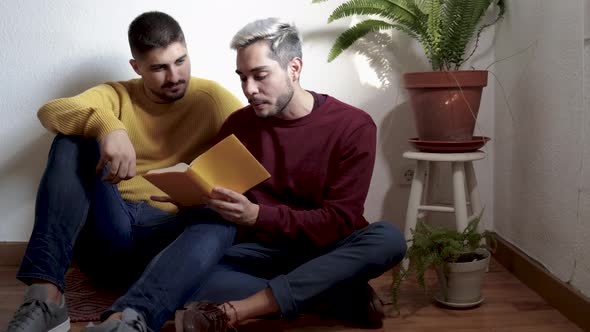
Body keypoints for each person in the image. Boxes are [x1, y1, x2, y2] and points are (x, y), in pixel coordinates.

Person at [4, 11, 243, 332]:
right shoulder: (116, 95)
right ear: (137, 67)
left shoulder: (211, 99)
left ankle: (129, 320)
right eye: (159, 67)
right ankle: (45, 297)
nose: (174, 76)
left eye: (181, 61)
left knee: (222, 215)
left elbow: (259, 137)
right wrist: (108, 128)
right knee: (71, 140)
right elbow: (50, 111)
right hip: (108, 234)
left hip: (168, 243)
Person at [173, 17, 407, 331]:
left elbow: (338, 220)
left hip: (328, 248)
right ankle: (334, 295)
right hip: (262, 252)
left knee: (388, 239)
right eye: (242, 78)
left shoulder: (353, 126)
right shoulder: (237, 125)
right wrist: (189, 195)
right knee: (191, 276)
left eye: (260, 76)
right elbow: (218, 198)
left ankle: (237, 311)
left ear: (294, 68)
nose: (249, 90)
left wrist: (257, 215)